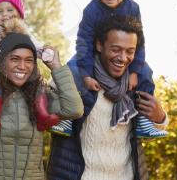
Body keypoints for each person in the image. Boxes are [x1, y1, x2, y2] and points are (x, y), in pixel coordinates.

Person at [51, 0, 167, 138]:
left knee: (145, 71)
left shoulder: (132, 8)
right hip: (92, 51)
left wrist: (135, 71)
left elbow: (139, 41)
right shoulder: (92, 9)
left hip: (121, 51)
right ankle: (66, 117)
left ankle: (143, 120)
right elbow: (84, 41)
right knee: (72, 68)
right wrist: (87, 75)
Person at [46, 17, 168, 180]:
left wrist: (160, 117)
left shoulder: (134, 84)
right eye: (116, 49)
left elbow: (150, 130)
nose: (123, 58)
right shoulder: (77, 78)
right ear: (99, 45)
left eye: (130, 51)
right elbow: (45, 110)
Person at [0, 32, 84, 179]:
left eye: (29, 60)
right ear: (1, 61)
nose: (22, 66)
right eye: (14, 59)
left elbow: (74, 109)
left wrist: (56, 67)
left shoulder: (41, 96)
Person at [0, 0, 57, 133]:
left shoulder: (23, 32)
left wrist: (45, 52)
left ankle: (42, 115)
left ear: (19, 13)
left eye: (9, 10)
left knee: (37, 84)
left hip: (21, 71)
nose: (4, 14)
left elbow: (36, 46)